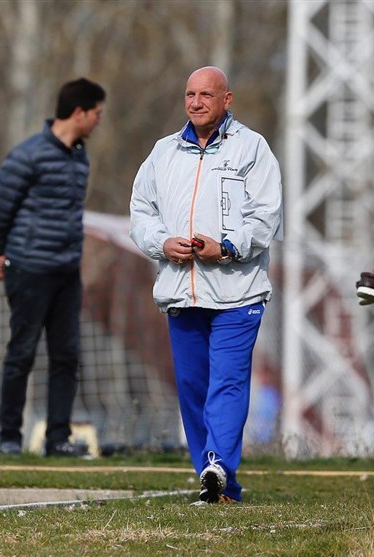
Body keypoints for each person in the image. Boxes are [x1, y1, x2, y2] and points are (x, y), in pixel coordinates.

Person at [129, 66, 282, 504]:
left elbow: (267, 216)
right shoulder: (162, 152)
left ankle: (217, 462)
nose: (196, 102)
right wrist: (162, 242)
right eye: (189, 95)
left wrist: (228, 247)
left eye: (206, 95)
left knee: (228, 384)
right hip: (182, 292)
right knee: (193, 389)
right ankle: (216, 482)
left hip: (239, 292)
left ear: (227, 99)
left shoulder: (253, 149)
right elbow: (141, 212)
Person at [0, 78, 105, 457]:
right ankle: (8, 437)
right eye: (96, 114)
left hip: (67, 272)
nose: (99, 122)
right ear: (79, 113)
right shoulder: (28, 155)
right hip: (29, 269)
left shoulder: (80, 156)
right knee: (21, 353)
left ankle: (58, 438)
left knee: (67, 356)